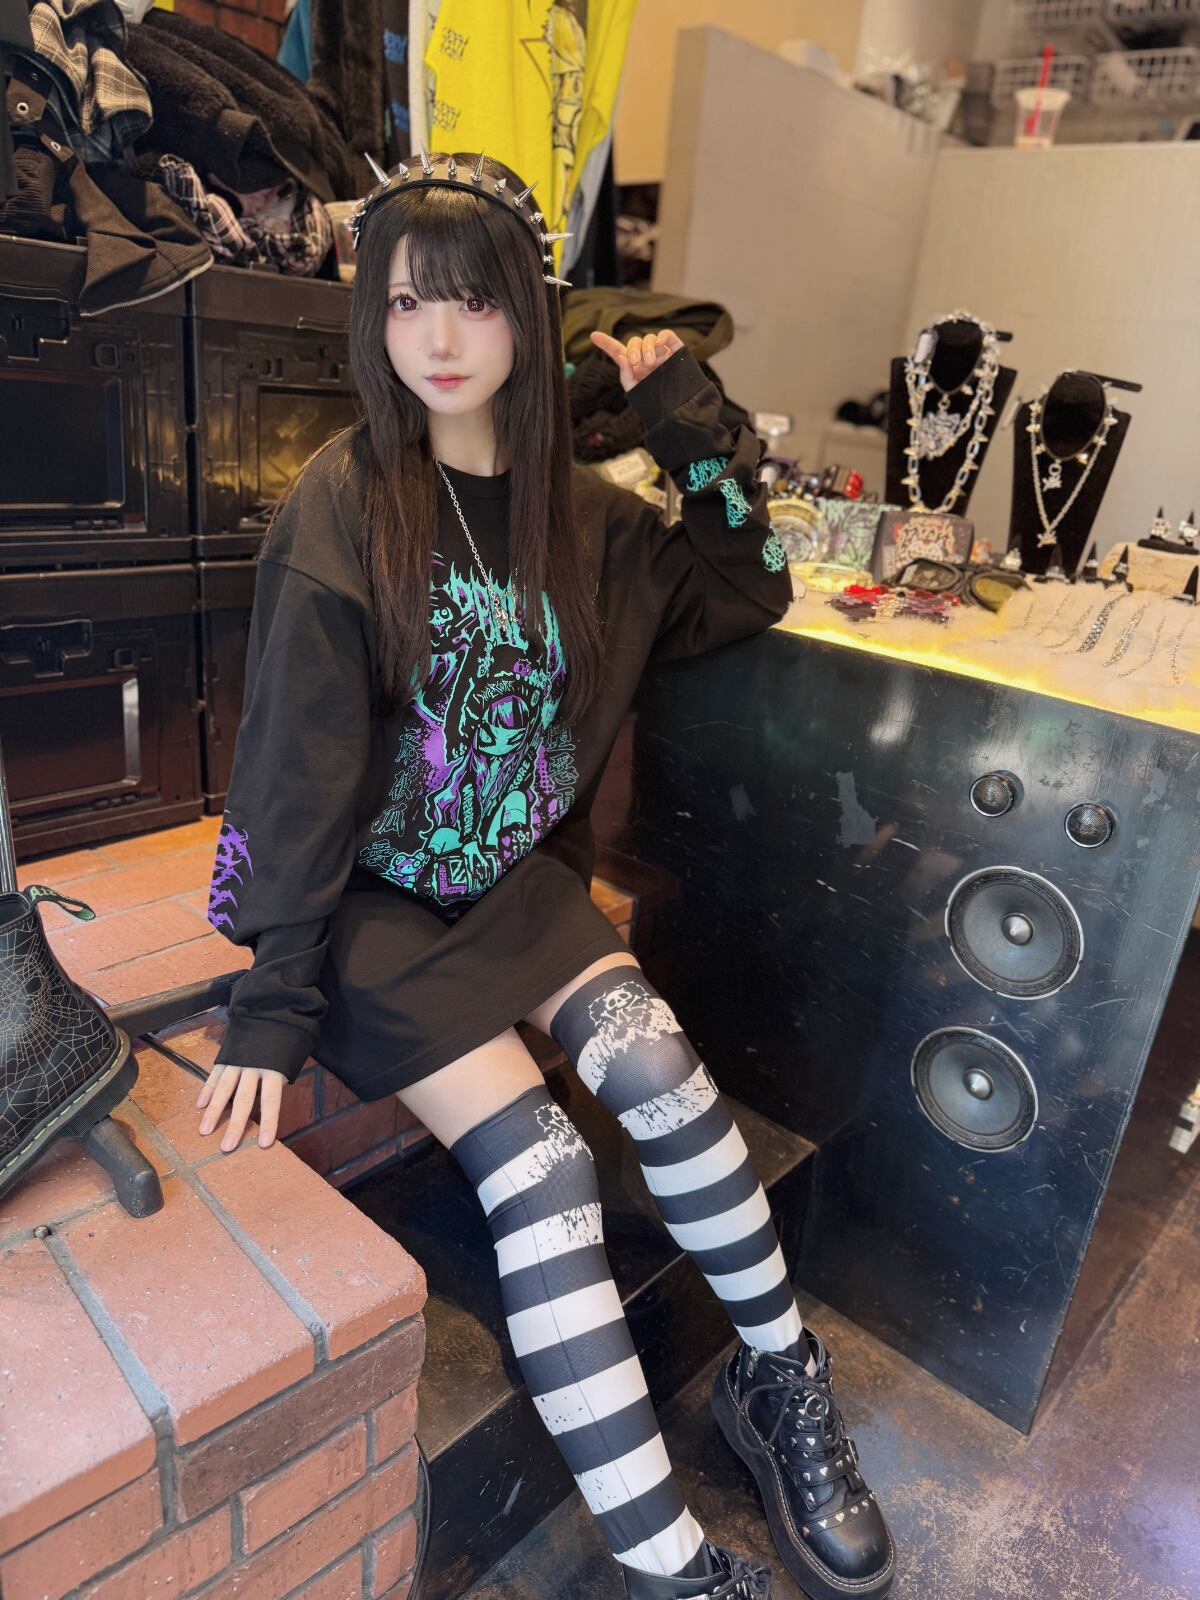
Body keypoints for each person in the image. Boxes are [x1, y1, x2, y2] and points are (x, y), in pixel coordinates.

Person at [198, 149, 894, 1600]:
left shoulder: (592, 521)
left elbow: (751, 580)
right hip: (375, 912)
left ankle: (778, 1377)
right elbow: (295, 761)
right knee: (547, 1168)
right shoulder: (345, 500)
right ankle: (667, 1563)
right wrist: (270, 1001)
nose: (438, 338)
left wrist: (683, 418)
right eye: (406, 303)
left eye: (472, 301)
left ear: (527, 311)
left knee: (666, 1081)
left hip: (516, 889)